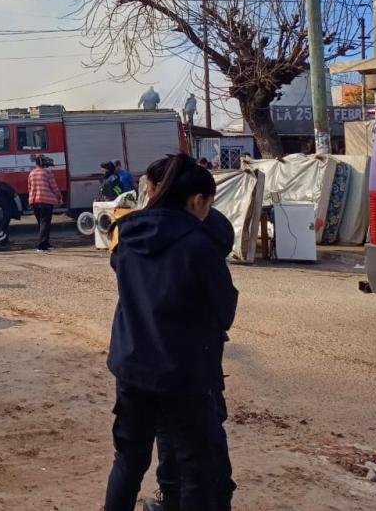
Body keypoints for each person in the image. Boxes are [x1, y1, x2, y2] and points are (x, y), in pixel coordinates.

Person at [103, 154, 238, 511]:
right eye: (208, 205)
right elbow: (225, 312)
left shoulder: (127, 235)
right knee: (196, 466)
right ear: (197, 201)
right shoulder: (200, 245)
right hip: (184, 373)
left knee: (128, 463)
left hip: (131, 367)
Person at [146, 207, 237, 511]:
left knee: (178, 439)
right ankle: (205, 498)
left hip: (172, 368)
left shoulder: (157, 242)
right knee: (202, 439)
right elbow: (225, 312)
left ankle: (178, 498)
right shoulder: (200, 244)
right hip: (197, 367)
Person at [28, 155, 63, 253]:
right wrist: (59, 197)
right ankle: (41, 246)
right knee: (45, 223)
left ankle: (46, 243)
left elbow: (29, 187)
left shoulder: (32, 173)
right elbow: (54, 187)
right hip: (46, 201)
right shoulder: (47, 173)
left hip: (34, 201)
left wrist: (30, 199)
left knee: (42, 223)